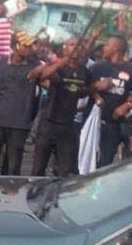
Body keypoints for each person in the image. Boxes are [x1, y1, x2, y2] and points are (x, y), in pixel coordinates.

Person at [0, 31, 41, 176]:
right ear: (15, 46)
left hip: (20, 124)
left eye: (31, 45)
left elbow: (47, 74)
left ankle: (9, 196)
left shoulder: (36, 66)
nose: (30, 48)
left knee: (13, 168)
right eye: (26, 45)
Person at [31, 36, 92, 177]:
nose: (76, 48)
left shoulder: (85, 71)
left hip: (68, 124)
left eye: (79, 46)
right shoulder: (59, 67)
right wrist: (60, 63)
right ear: (65, 48)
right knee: (38, 167)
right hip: (49, 122)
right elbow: (44, 75)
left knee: (63, 170)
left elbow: (83, 92)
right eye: (72, 45)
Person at [91, 35, 132, 167]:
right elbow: (84, 88)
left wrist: (127, 104)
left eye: (107, 45)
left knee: (129, 161)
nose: (104, 48)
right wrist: (97, 91)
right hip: (101, 122)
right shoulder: (97, 67)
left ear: (116, 48)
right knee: (102, 161)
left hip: (122, 123)